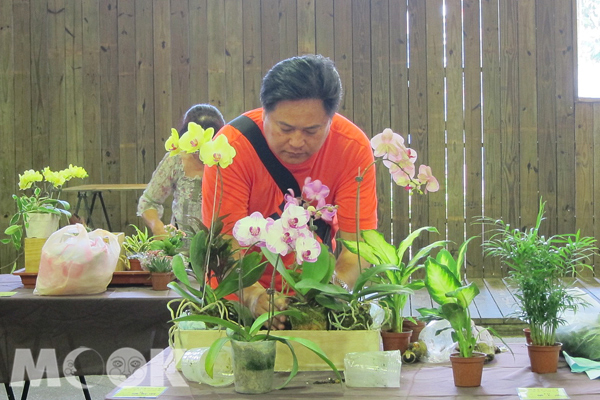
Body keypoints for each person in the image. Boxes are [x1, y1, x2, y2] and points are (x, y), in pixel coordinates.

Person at [201, 55, 377, 328]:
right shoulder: (229, 148)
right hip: (237, 300)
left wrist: (331, 292)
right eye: (285, 128)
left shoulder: (351, 148)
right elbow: (225, 246)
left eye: (311, 130)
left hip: (313, 299)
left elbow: (360, 247)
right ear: (265, 112)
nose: (296, 142)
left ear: (330, 120)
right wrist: (254, 297)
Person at [138, 104, 226, 237]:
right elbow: (148, 201)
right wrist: (157, 226)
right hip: (180, 250)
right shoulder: (176, 160)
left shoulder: (229, 162)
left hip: (221, 249)